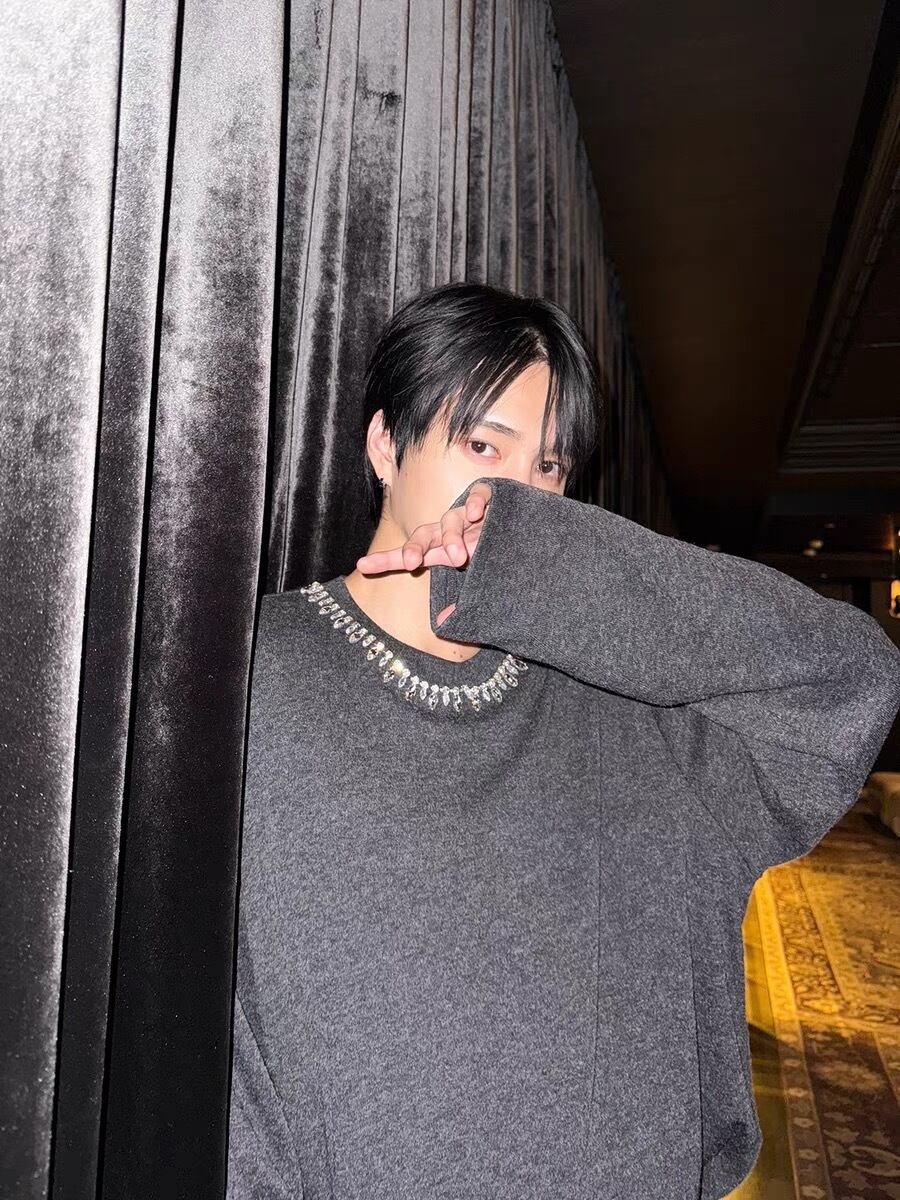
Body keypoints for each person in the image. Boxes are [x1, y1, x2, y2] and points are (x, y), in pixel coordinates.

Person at [225, 281, 900, 1200]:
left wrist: (558, 566)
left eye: (549, 467)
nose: (515, 492)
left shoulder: (628, 707)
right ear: (385, 444)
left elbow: (851, 680)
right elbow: (204, 1036)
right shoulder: (248, 677)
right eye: (481, 445)